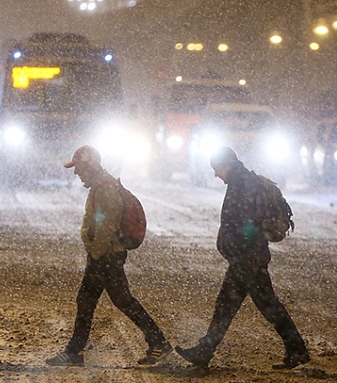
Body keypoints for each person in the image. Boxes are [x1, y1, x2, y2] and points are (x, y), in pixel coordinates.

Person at [175, 146, 309, 370]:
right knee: (267, 305)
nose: (216, 174)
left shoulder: (242, 184)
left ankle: (204, 351)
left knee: (226, 306)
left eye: (217, 169)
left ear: (226, 165)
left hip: (247, 259)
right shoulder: (242, 182)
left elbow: (249, 222)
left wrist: (241, 246)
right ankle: (297, 350)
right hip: (250, 258)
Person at [46, 145, 172, 367]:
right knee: (87, 300)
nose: (76, 173)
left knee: (121, 300)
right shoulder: (100, 186)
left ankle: (158, 342)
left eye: (77, 168)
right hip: (104, 254)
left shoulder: (104, 189)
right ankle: (74, 351)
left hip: (106, 256)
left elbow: (106, 226)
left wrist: (95, 253)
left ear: (88, 166)